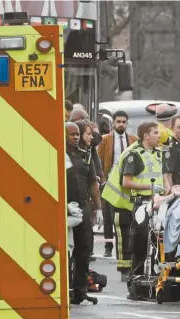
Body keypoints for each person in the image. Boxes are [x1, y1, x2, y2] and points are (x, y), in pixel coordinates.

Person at [101, 122, 165, 291]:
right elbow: (126, 182)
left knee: (150, 241)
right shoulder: (134, 155)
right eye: (156, 132)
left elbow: (160, 177)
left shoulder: (157, 154)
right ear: (146, 136)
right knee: (132, 241)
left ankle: (146, 275)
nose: (160, 135)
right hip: (132, 203)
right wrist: (150, 188)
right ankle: (130, 275)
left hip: (152, 203)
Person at [97, 111, 138, 277]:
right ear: (113, 123)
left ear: (127, 123)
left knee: (126, 223)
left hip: (128, 185)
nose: (121, 124)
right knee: (109, 218)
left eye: (123, 122)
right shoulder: (105, 140)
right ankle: (109, 246)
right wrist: (103, 180)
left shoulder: (134, 140)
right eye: (118, 122)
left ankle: (128, 264)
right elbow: (99, 161)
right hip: (111, 184)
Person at [65, 122, 102, 305]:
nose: (76, 137)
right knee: (65, 251)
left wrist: (98, 207)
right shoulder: (57, 153)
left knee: (84, 249)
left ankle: (80, 291)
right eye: (71, 134)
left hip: (82, 206)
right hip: (63, 208)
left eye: (77, 134)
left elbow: (93, 183)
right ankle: (64, 289)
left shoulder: (86, 156)